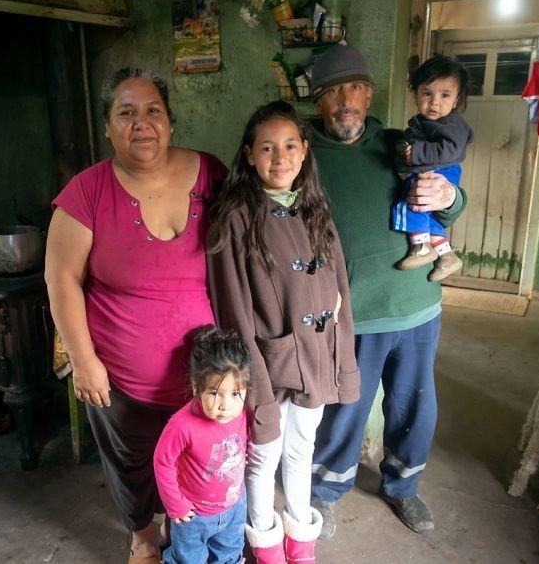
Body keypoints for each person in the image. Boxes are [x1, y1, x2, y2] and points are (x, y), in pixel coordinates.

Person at [44, 67, 227, 564]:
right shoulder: (87, 192)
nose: (140, 124)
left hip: (205, 376)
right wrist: (84, 362)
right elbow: (61, 280)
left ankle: (178, 525)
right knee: (131, 463)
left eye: (152, 111)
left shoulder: (211, 173)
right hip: (123, 378)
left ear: (170, 121)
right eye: (126, 113)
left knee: (193, 458)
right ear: (108, 126)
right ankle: (143, 537)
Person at [306, 44, 468, 537]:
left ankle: (403, 487)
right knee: (344, 410)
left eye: (354, 88)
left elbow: (449, 202)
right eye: (331, 91)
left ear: (369, 94)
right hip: (352, 313)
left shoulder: (403, 143)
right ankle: (327, 489)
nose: (344, 101)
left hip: (417, 304)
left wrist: (451, 196)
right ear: (318, 101)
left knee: (414, 405)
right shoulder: (304, 156)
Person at [207, 100, 360, 563]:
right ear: (250, 155)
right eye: (268, 148)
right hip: (268, 370)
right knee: (261, 458)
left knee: (301, 451)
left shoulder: (315, 211)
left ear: (305, 151)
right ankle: (267, 548)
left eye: (291, 145)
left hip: (315, 361)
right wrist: (254, 387)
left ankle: (301, 547)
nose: (280, 157)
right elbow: (232, 311)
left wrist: (340, 363)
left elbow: (340, 298)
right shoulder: (235, 219)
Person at [153, 325, 251, 564]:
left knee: (229, 555)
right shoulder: (182, 425)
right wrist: (175, 505)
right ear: (197, 387)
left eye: (236, 393)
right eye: (215, 393)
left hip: (234, 508)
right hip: (193, 517)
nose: (226, 405)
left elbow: (242, 441)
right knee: (189, 559)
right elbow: (162, 462)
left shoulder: (241, 413)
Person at [393, 54, 473, 281]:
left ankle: (421, 247)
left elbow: (452, 150)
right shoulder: (427, 122)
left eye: (445, 95)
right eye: (427, 93)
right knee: (431, 216)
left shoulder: (452, 125)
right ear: (416, 94)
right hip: (435, 168)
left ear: (456, 100)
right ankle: (447, 256)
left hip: (441, 170)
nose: (434, 101)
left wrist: (416, 153)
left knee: (412, 201)